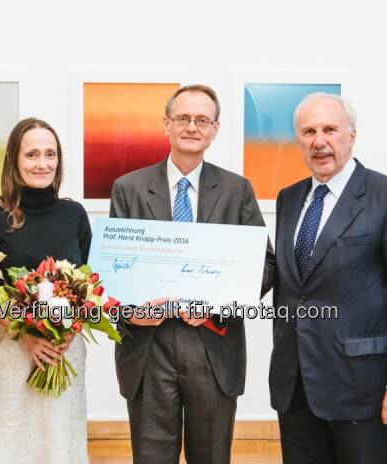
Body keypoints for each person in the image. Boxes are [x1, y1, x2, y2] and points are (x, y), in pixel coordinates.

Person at [109, 84, 274, 464]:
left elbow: (266, 266)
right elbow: (111, 273)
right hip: (148, 348)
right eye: (183, 118)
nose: (192, 126)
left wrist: (217, 304)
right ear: (167, 124)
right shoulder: (128, 189)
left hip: (213, 346)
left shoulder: (237, 190)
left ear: (215, 129)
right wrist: (130, 310)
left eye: (202, 120)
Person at [267, 93, 387, 463]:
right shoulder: (289, 198)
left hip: (363, 386)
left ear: (351, 136)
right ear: (298, 140)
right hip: (295, 384)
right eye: (308, 131)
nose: (319, 141)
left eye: (330, 129)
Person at [0, 117, 92, 464]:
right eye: (32, 154)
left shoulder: (74, 213)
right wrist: (25, 336)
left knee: (61, 441)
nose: (43, 163)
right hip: (9, 349)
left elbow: (89, 285)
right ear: (14, 160)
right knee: (7, 441)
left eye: (50, 154)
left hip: (63, 350)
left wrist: (71, 329)